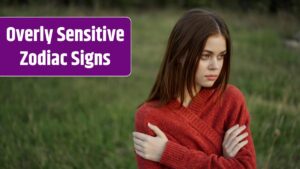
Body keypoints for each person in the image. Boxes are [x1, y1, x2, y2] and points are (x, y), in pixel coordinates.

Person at [132, 9, 256, 169]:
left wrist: (169, 152)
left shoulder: (232, 100)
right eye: (205, 56)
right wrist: (224, 161)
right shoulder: (149, 117)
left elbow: (247, 166)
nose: (215, 66)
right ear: (180, 54)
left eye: (221, 56)